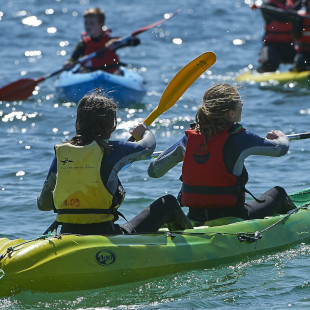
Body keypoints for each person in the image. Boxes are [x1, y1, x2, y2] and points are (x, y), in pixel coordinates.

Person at [37, 92, 192, 235]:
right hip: (105, 232)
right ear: (112, 125)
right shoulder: (112, 150)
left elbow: (43, 204)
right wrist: (144, 132)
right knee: (168, 202)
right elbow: (147, 148)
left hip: (67, 232)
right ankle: (197, 241)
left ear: (78, 122)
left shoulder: (62, 153)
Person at [148, 84, 296, 224]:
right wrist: (281, 137)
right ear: (230, 113)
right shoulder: (240, 137)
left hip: (193, 216)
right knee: (278, 193)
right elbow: (280, 150)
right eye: (240, 105)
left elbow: (154, 172)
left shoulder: (188, 139)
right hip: (233, 217)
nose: (242, 107)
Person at [63, 7, 140, 75]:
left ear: (101, 25)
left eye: (92, 23)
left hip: (110, 74)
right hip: (89, 74)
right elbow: (73, 59)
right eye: (86, 23)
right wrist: (69, 63)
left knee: (118, 73)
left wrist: (118, 41)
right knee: (82, 71)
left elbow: (136, 41)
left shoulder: (111, 41)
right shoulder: (83, 44)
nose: (88, 26)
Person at [252, 0, 301, 72]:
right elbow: (285, 17)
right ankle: (260, 71)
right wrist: (300, 4)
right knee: (269, 65)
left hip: (291, 47)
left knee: (304, 60)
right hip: (273, 47)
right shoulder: (267, 6)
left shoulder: (292, 3)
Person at [291, 0, 310, 71]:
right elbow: (296, 36)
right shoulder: (300, 17)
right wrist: (295, 20)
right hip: (305, 53)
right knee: (300, 62)